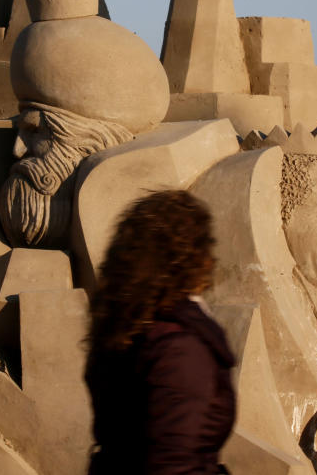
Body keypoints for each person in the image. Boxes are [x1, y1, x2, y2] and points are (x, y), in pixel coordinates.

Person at [85, 190, 236, 475]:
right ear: (193, 256)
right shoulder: (178, 345)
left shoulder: (125, 327)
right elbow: (173, 463)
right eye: (207, 244)